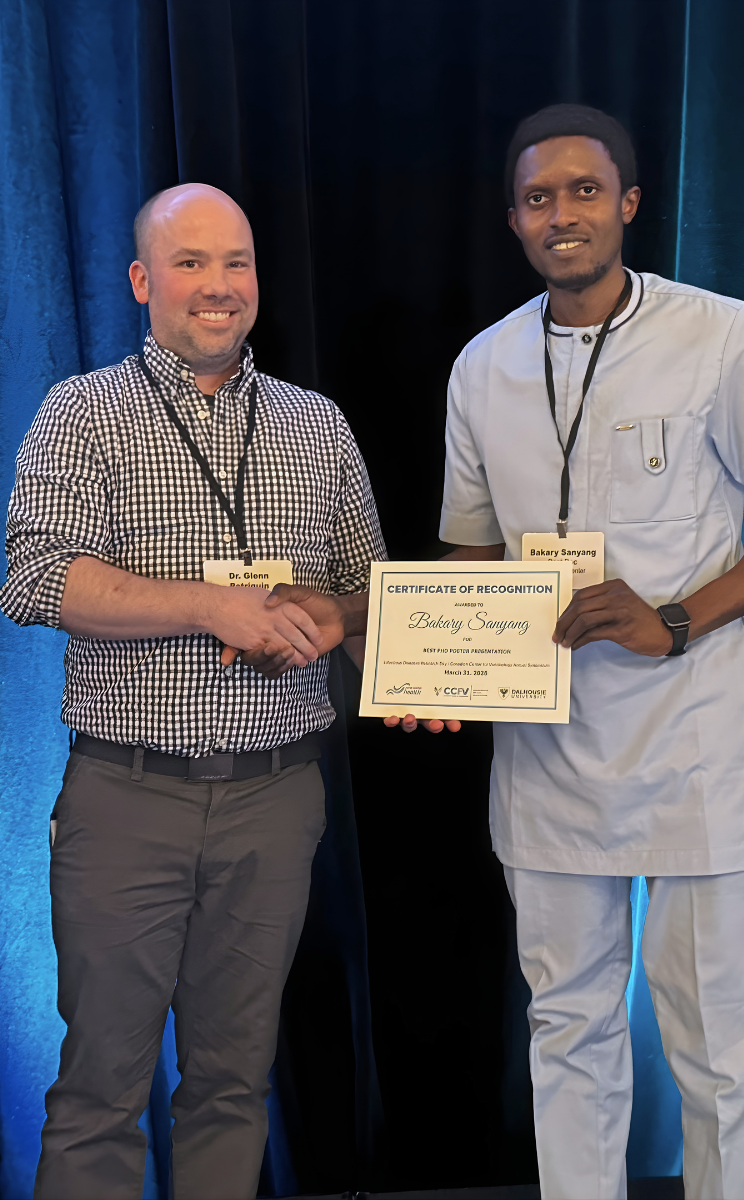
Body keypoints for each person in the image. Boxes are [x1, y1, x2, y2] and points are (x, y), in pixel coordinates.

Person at [388, 105, 744, 1199]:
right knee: (570, 1040)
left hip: (694, 753)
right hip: (546, 758)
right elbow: (471, 556)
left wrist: (675, 618)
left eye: (585, 190)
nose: (563, 213)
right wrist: (426, 661)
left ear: (629, 203)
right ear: (514, 219)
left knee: (719, 1055)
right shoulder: (482, 366)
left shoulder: (718, 334)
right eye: (539, 197)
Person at [0, 183, 381, 1200]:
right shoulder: (83, 411)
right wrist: (213, 608)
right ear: (142, 280)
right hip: (128, 799)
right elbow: (36, 577)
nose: (219, 285)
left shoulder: (318, 426)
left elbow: (364, 594)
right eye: (191, 262)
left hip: (276, 799)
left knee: (232, 1085)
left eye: (236, 262)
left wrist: (396, 658)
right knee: (99, 1092)